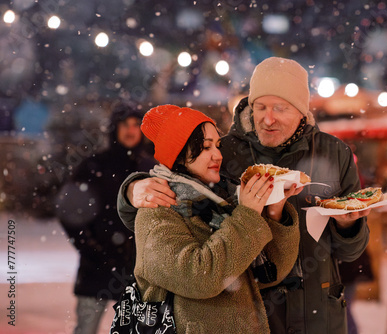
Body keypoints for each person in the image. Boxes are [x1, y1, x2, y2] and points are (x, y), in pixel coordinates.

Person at [118, 57, 370, 333]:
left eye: (280, 108)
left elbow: (348, 252)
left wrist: (348, 226)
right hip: (255, 312)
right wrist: (131, 188)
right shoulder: (225, 154)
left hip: (317, 311)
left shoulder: (335, 154)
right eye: (260, 106)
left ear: (301, 110)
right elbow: (174, 184)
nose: (268, 118)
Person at [131, 104, 300, 333]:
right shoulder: (158, 208)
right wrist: (248, 215)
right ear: (179, 154)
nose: (217, 155)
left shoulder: (223, 201)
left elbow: (269, 274)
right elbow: (199, 279)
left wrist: (275, 211)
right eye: (205, 147)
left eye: (217, 145)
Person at [56, 101, 156, 334]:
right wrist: (89, 247)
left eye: (136, 125)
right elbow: (70, 213)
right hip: (96, 269)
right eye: (125, 125)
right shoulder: (92, 167)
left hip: (137, 270)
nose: (131, 131)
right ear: (114, 129)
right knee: (86, 329)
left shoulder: (151, 168)